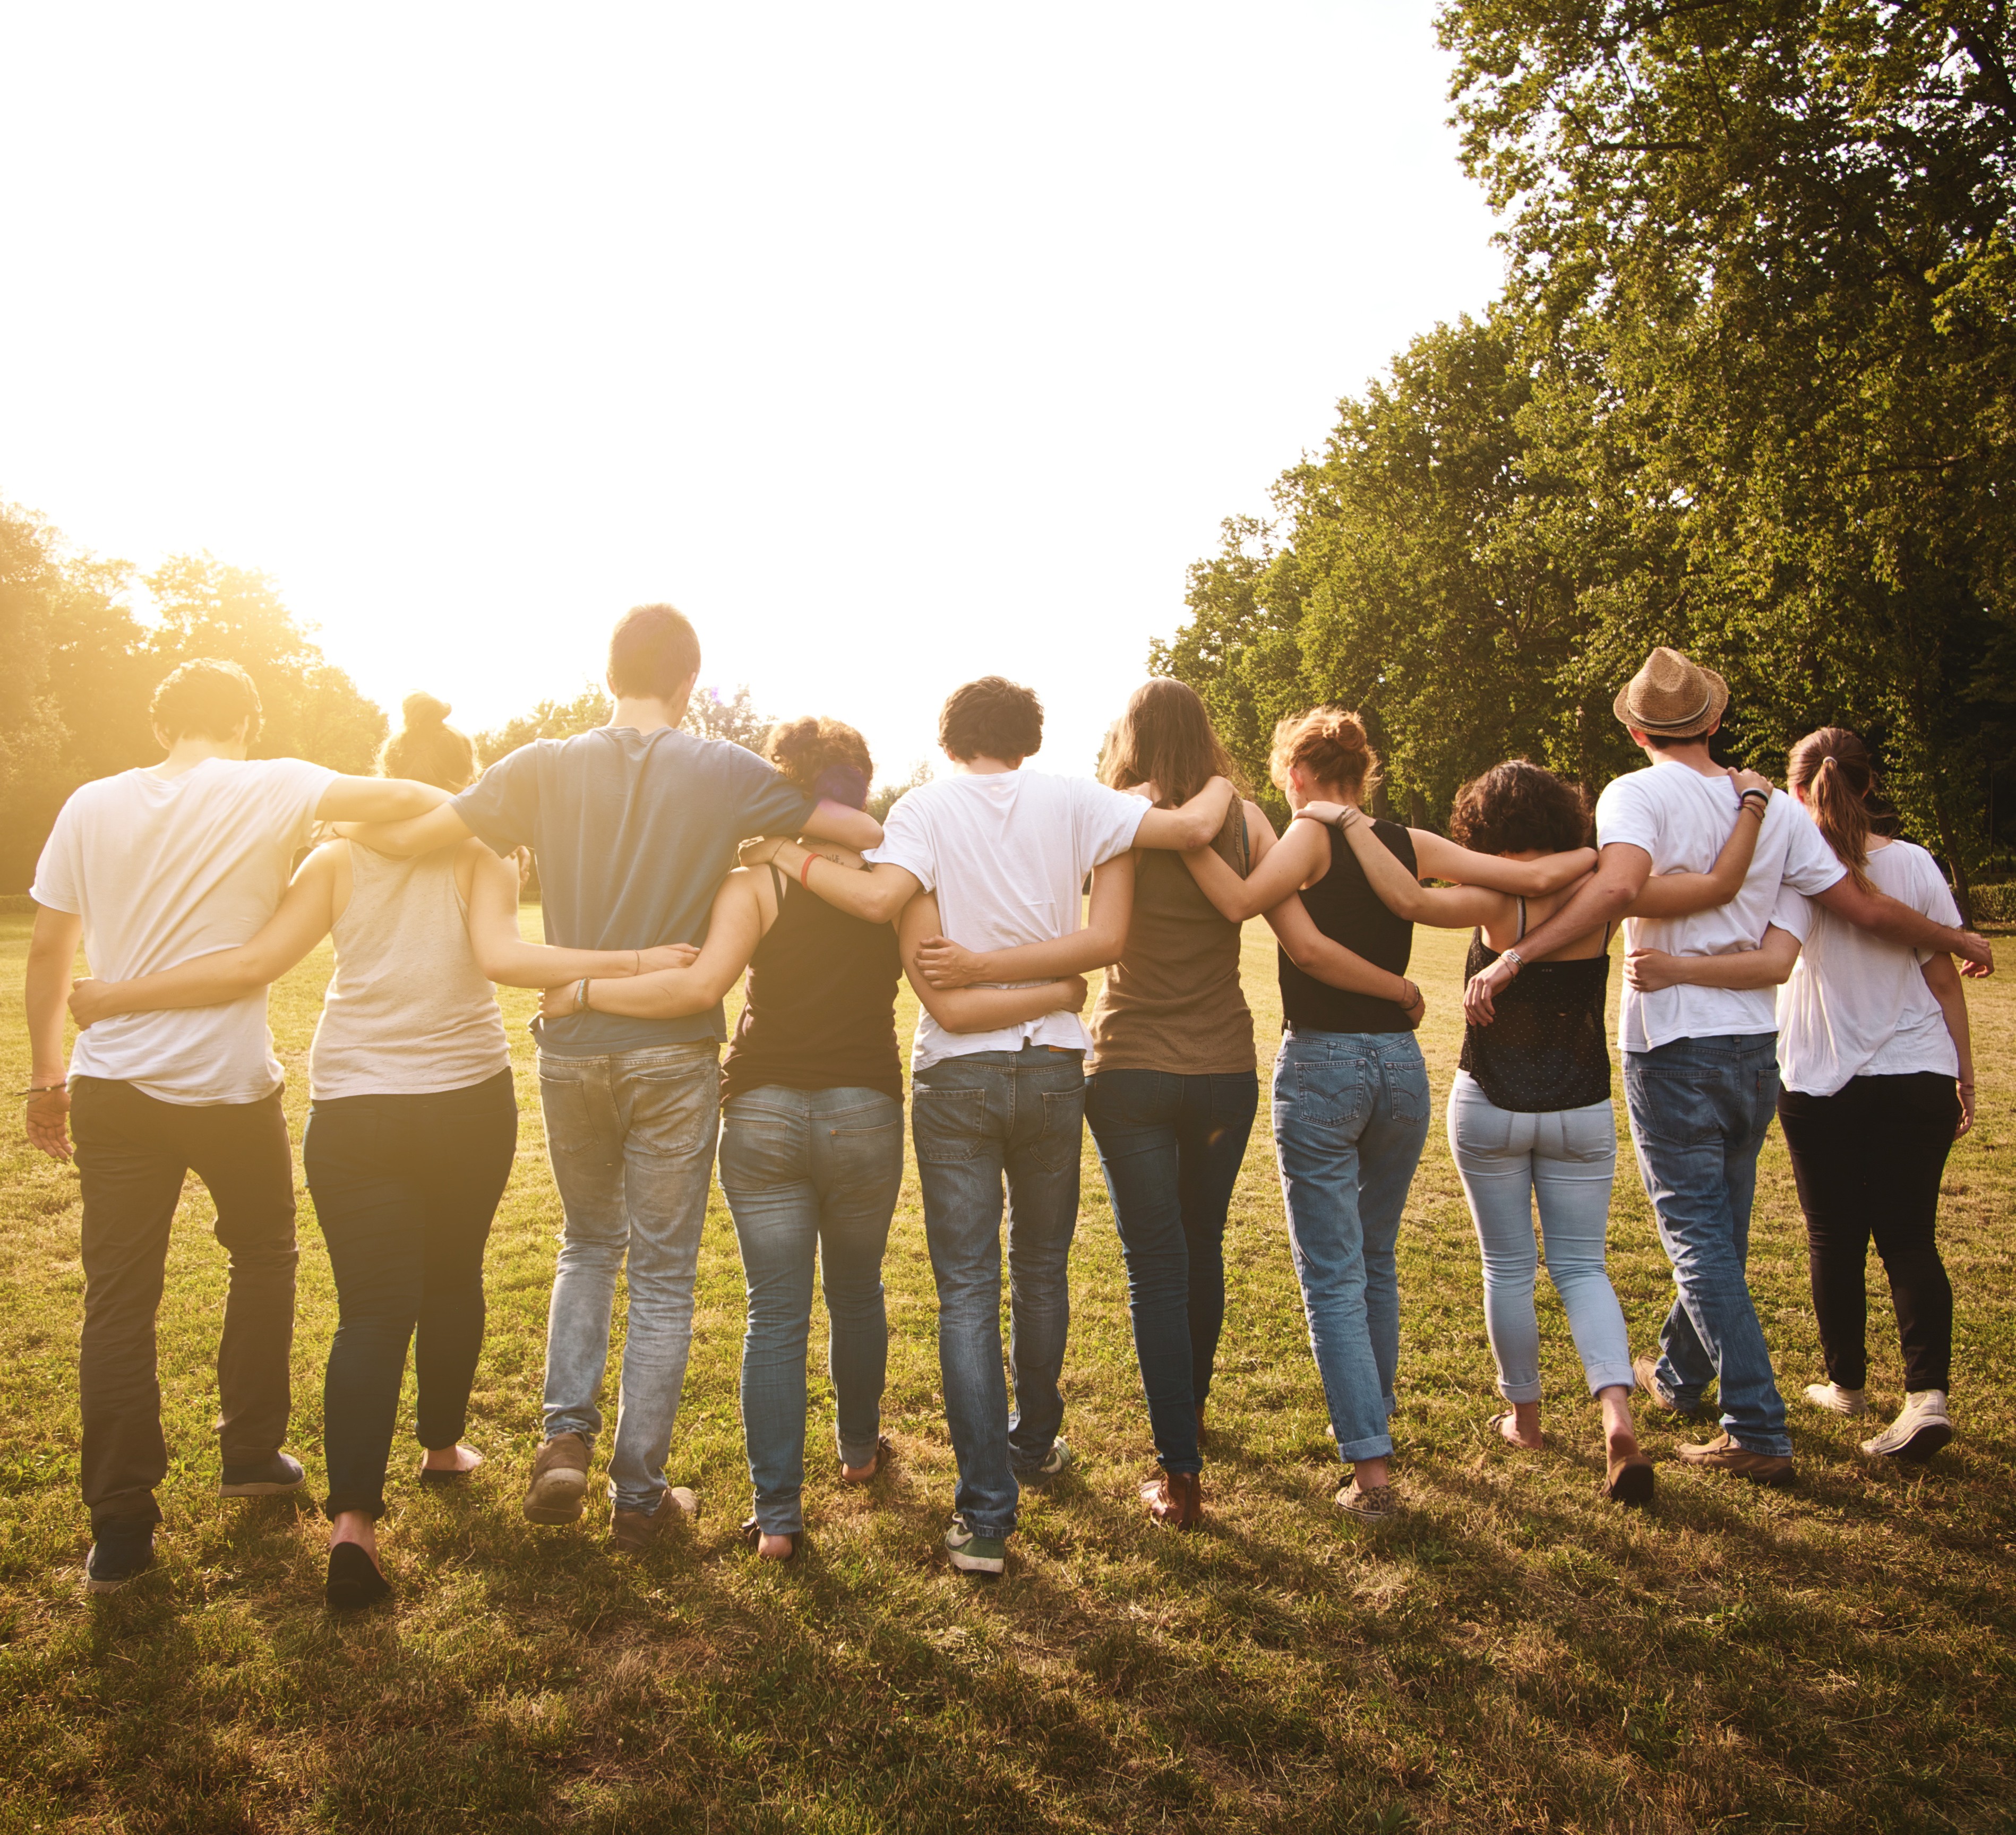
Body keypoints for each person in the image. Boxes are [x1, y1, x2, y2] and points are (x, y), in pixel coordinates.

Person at [66, 693, 695, 1606]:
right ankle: (442, 1447)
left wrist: (117, 994)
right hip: (466, 1100)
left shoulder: (333, 857)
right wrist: (636, 961)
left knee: (370, 1313)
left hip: (354, 1108)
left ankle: (352, 1523)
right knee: (453, 1276)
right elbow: (502, 958)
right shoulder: (482, 851)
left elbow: (253, 965)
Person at [338, 606, 882, 1552]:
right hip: (673, 1044)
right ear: (688, 681)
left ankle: (562, 1440)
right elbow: (863, 826)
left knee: (586, 1245)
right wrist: (773, 842)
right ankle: (640, 1499)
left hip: (571, 1040)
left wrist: (321, 802)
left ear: (607, 677)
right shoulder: (724, 769)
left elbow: (417, 833)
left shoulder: (539, 765)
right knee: (664, 1274)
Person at [539, 715, 1087, 1560]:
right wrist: (1056, 988)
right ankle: (860, 1452)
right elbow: (941, 981)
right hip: (863, 1107)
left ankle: (779, 1518)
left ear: (785, 788)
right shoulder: (895, 882)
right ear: (860, 789)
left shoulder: (754, 879)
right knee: (858, 1292)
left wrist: (583, 991)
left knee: (774, 1315)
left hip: (760, 1109)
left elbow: (707, 984)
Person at [742, 675, 1241, 1576]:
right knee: (1040, 1268)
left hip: (956, 1072)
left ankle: (983, 1515)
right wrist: (1209, 784)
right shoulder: (1080, 801)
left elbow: (889, 917)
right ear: (1032, 739)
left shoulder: (923, 811)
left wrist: (788, 856)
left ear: (946, 740)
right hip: (1052, 1064)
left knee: (967, 1289)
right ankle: (1035, 1442)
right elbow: (1183, 841)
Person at [1464, 648, 1993, 1486]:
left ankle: (1756, 1426)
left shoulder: (1633, 793)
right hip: (1755, 1049)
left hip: (1672, 1042)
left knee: (1697, 1240)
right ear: (1712, 721)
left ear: (1636, 729)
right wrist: (1953, 934)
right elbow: (1857, 903)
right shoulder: (1774, 808)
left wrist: (1512, 959)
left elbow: (1614, 892)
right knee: (1720, 1231)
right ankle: (1679, 1375)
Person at [22, 659, 456, 1592]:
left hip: (112, 1090)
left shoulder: (90, 804)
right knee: (263, 1255)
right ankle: (252, 1455)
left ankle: (122, 1528)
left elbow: (54, 950)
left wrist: (45, 1078)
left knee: (117, 1300)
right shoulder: (279, 784)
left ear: (161, 724)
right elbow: (426, 793)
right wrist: (340, 818)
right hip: (227, 1089)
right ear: (247, 724)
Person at [1319, 756, 1771, 1504]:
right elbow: (1714, 886)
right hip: (1580, 1103)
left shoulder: (1486, 890)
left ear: (1481, 822)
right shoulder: (1598, 886)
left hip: (1489, 1100)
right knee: (1582, 1268)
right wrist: (1750, 806)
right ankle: (1616, 1415)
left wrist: (1346, 820)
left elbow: (1401, 894)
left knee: (1507, 1268)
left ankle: (1524, 1420)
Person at [1181, 710, 1595, 1522]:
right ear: (1362, 773)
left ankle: (1370, 1472)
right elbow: (1532, 880)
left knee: (1332, 1274)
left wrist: (1191, 823)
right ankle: (1374, 1420)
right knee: (1375, 1258)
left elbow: (1248, 911)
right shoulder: (1405, 842)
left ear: (1295, 775)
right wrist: (1597, 850)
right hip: (1401, 1070)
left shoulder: (1305, 836)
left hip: (1326, 1064)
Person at [1626, 728, 1976, 1463]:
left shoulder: (1789, 857)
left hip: (1819, 1075)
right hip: (1916, 1068)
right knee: (1909, 1237)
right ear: (1870, 783)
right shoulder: (1908, 862)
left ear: (1797, 786)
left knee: (1826, 1237)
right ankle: (1924, 1398)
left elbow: (1776, 958)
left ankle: (1837, 1386)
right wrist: (1962, 1064)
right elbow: (1933, 971)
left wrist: (1676, 965)